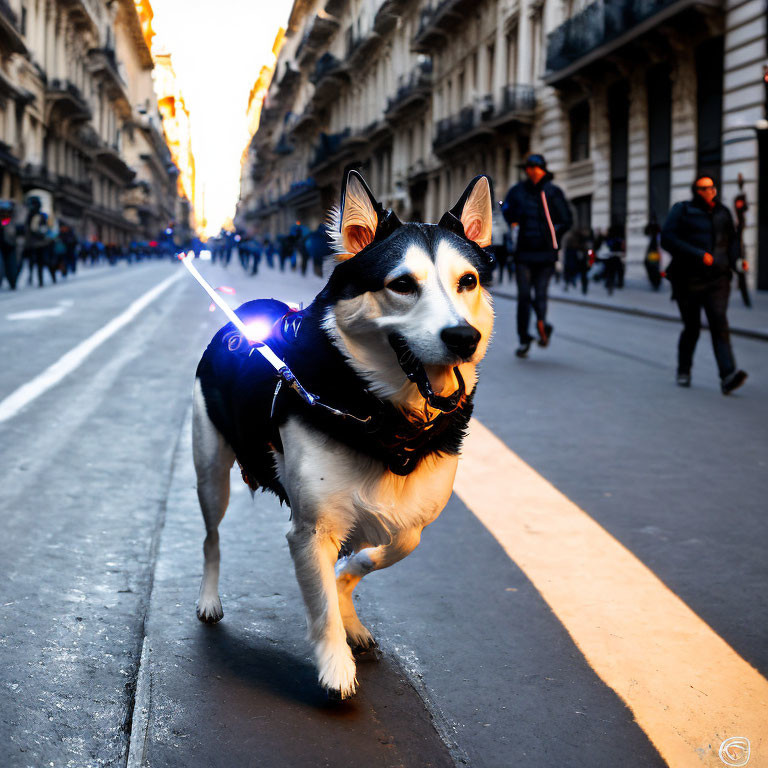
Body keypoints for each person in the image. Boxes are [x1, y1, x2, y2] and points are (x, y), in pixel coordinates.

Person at [661, 176, 748, 395]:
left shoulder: (723, 213)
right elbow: (667, 238)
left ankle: (728, 375)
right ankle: (684, 369)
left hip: (718, 279)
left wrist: (737, 260)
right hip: (687, 280)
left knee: (719, 324)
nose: (708, 192)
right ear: (695, 191)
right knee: (692, 328)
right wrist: (697, 254)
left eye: (711, 188)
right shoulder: (682, 210)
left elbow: (733, 240)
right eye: (703, 188)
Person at [502, 153, 572, 357]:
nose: (532, 171)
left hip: (546, 254)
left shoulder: (552, 192)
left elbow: (566, 219)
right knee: (524, 296)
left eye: (536, 168)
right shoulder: (517, 191)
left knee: (540, 294)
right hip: (523, 253)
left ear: (543, 170)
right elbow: (506, 209)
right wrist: (512, 219)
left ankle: (541, 322)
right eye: (529, 168)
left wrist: (553, 233)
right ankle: (524, 338)